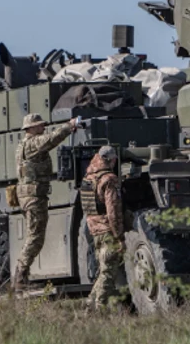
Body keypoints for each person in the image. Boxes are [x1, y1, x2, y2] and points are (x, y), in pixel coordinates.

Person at [12, 113, 78, 290]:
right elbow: (51, 140)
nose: (43, 128)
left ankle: (22, 276)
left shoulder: (24, 144)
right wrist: (68, 126)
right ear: (31, 128)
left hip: (31, 196)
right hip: (33, 197)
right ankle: (20, 277)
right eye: (40, 126)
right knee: (35, 237)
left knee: (34, 236)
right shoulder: (32, 143)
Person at [80, 145, 124, 309]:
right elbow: (112, 210)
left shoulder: (88, 177)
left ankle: (90, 304)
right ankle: (100, 308)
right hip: (106, 230)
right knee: (108, 272)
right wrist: (119, 236)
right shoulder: (109, 179)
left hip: (94, 229)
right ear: (112, 160)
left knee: (103, 270)